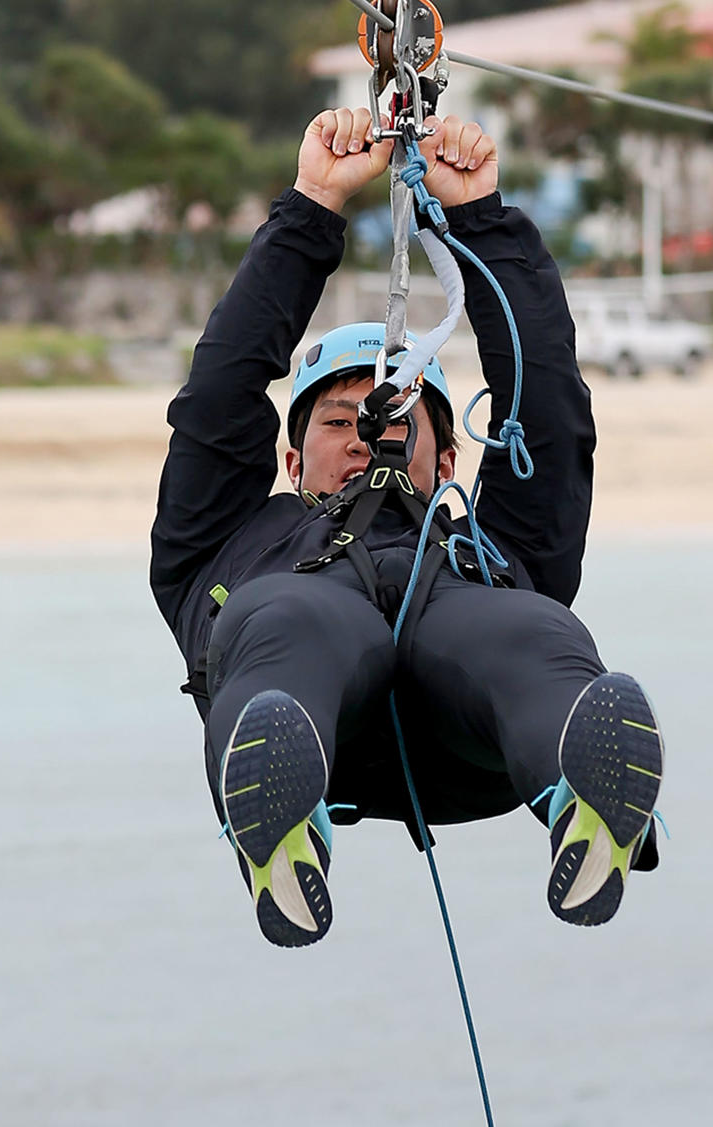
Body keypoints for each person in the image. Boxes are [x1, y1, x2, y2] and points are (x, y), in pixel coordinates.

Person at [150, 104, 663, 947]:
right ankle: (283, 832)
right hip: (317, 725)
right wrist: (313, 206)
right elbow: (219, 395)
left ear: (449, 459)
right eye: (339, 420)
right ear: (288, 461)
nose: (366, 433)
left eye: (393, 419)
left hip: (470, 740)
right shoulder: (222, 542)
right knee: (290, 617)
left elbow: (552, 412)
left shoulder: (490, 552)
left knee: (530, 624)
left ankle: (584, 795)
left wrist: (481, 220)